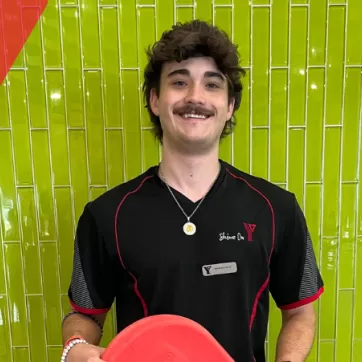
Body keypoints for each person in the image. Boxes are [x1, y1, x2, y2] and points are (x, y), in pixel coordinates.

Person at [61, 19, 324, 362]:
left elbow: (300, 311)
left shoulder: (277, 208)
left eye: (212, 85)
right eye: (179, 81)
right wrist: (74, 348)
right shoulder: (106, 215)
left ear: (229, 106)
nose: (195, 97)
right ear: (155, 100)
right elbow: (85, 314)